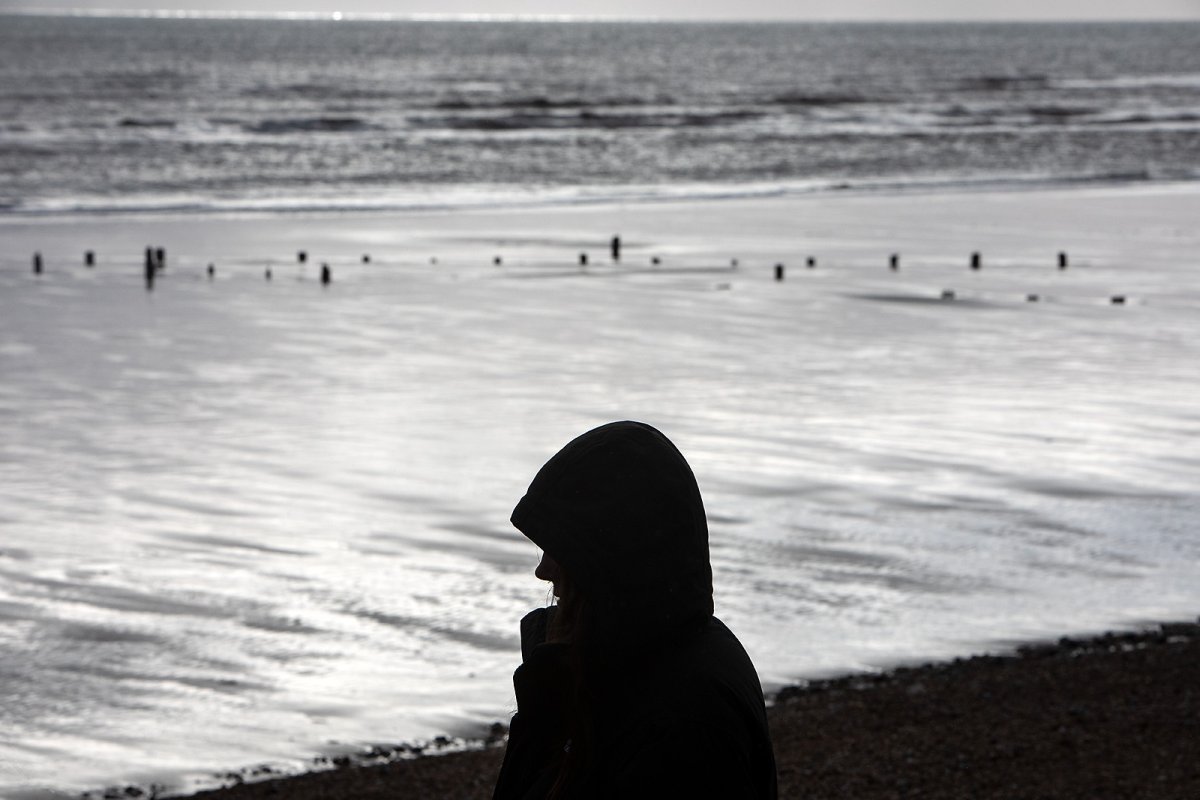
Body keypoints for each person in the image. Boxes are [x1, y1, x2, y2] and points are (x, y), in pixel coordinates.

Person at [493, 421, 777, 799]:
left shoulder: (685, 721)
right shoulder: (617, 668)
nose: (542, 570)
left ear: (615, 554)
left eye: (561, 548)